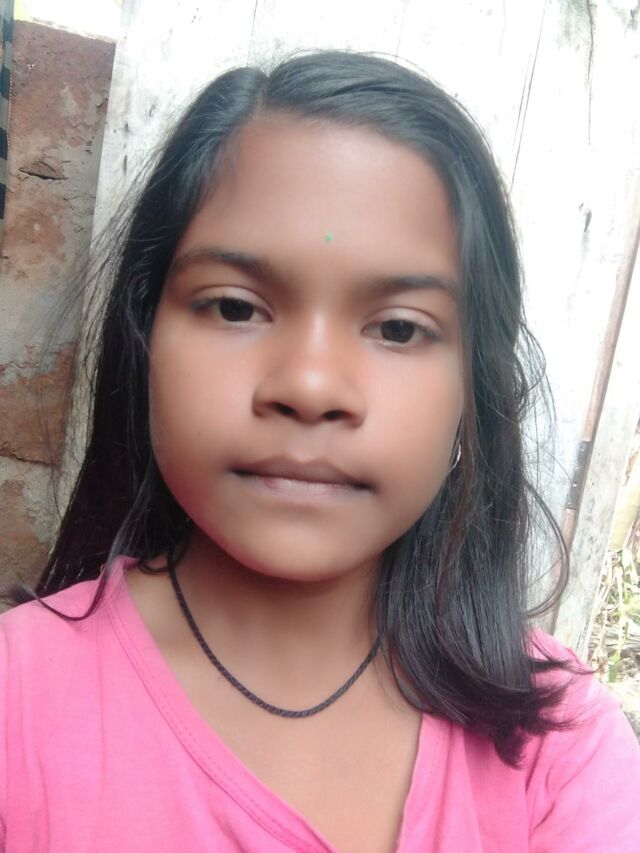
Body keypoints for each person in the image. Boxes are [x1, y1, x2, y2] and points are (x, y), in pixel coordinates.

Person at [1, 49, 638, 853]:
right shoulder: (17, 708)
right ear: (143, 337)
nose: (309, 385)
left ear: (472, 396)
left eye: (398, 327)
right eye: (235, 308)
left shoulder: (558, 749)